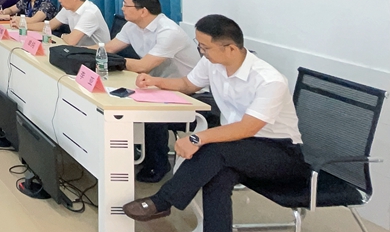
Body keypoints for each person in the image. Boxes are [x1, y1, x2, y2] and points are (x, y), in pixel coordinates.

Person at [123, 15, 306, 232]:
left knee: (214, 150)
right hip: (237, 147)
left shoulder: (269, 80)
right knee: (218, 175)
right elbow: (187, 84)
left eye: (205, 47)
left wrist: (196, 138)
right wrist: (155, 81)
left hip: (280, 153)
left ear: (231, 48)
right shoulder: (212, 63)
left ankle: (163, 201)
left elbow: (248, 128)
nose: (201, 52)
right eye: (199, 45)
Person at [101, 0, 201, 182]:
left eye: (126, 5)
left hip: (188, 92)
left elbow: (143, 66)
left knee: (150, 113)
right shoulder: (132, 26)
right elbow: (109, 48)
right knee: (115, 99)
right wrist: (78, 52)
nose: (122, 9)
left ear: (143, 11)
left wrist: (111, 61)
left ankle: (157, 165)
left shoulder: (168, 32)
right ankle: (130, 151)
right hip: (156, 85)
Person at [31, 0, 110, 46]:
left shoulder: (90, 13)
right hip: (80, 50)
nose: (59, 0)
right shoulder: (68, 8)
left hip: (97, 55)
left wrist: (62, 35)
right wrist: (26, 26)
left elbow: (71, 41)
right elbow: (50, 25)